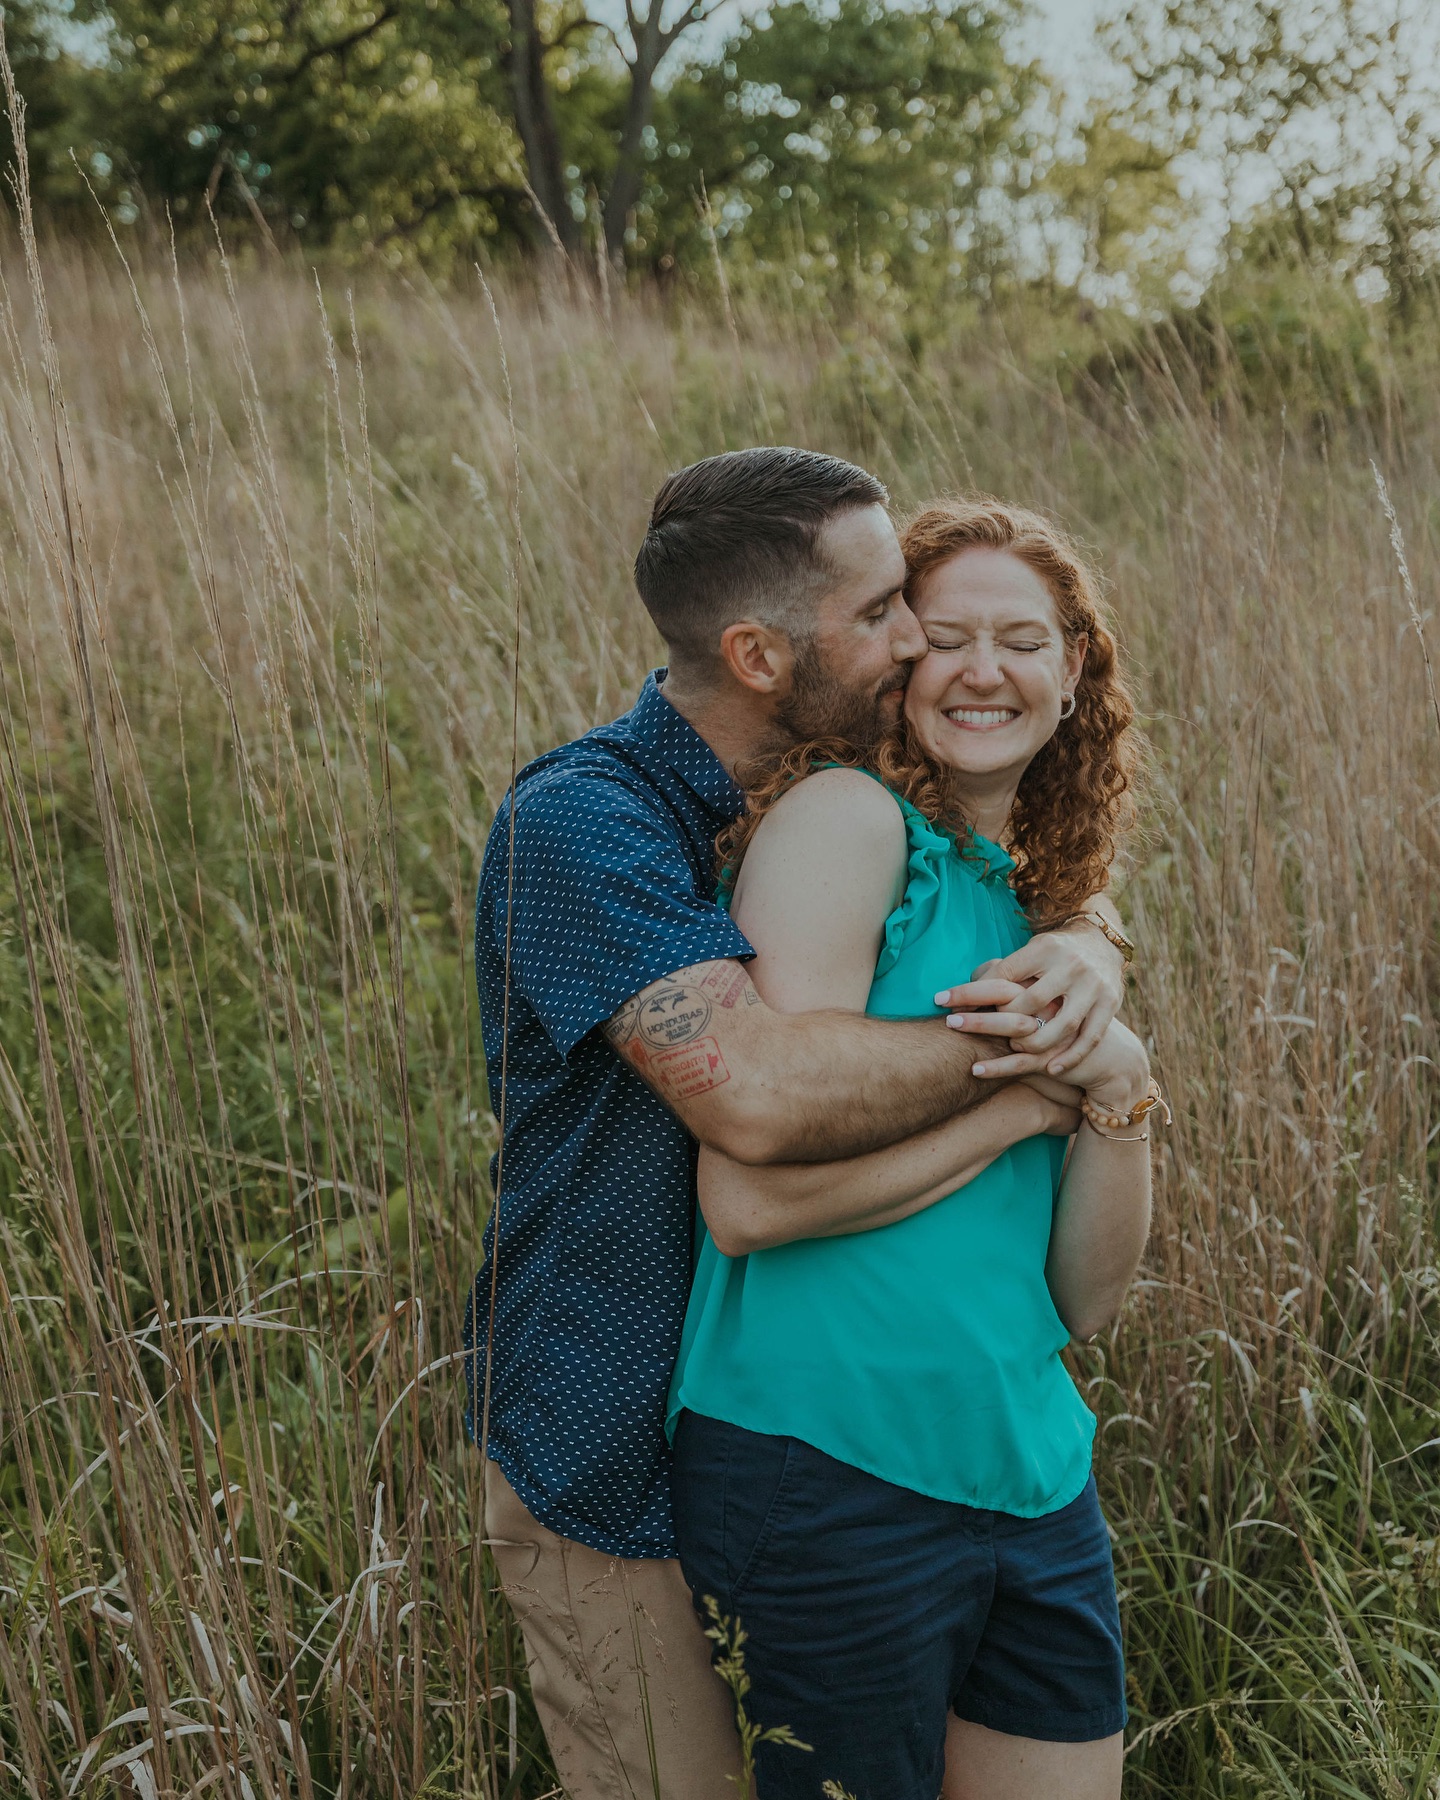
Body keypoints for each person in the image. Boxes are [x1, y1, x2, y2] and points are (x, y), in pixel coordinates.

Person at [465, 451, 1130, 1800]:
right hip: (611, 1451)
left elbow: (1002, 881)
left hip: (844, 1431)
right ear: (762, 654)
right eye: (890, 615)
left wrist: (1089, 949)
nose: (918, 641)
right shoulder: (584, 825)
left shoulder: (835, 806)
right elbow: (757, 1100)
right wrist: (1042, 1063)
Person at [667, 496, 1154, 1800]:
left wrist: (1122, 1093)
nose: (985, 670)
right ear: (889, 664)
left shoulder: (1046, 905)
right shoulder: (848, 823)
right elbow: (747, 1204)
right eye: (946, 637)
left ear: (1072, 675)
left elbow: (1081, 1304)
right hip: (828, 1464)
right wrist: (1021, 1104)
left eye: (1024, 639)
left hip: (1031, 1468)